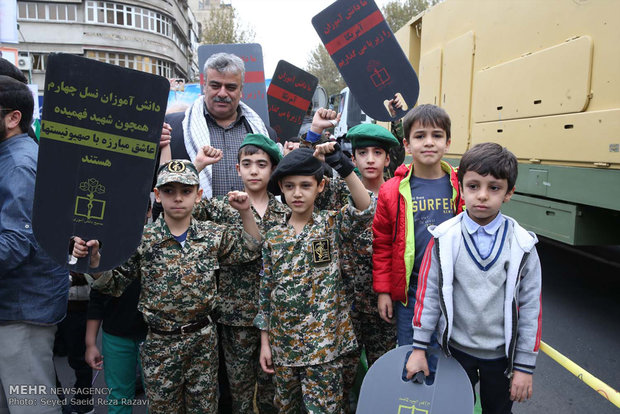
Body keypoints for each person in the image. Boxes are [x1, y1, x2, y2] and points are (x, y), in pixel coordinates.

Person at [71, 160, 263, 413]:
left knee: (204, 408)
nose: (178, 198)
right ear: (158, 196)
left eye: (185, 191)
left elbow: (250, 247)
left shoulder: (213, 235)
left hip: (202, 342)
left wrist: (246, 211)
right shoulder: (142, 240)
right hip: (160, 344)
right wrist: (94, 261)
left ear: (198, 195)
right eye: (169, 191)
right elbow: (113, 284)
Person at [405, 142, 542, 413]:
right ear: (461, 186)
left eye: (494, 188)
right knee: (453, 409)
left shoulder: (522, 245)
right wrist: (419, 349)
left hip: (500, 358)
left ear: (509, 193)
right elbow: (428, 295)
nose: (482, 195)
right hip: (455, 353)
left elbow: (531, 309)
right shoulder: (444, 238)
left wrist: (524, 366)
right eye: (473, 186)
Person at [255, 132, 375, 413]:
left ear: (320, 186)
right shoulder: (273, 237)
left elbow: (365, 208)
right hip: (284, 348)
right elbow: (265, 293)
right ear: (281, 189)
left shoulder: (330, 224)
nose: (297, 193)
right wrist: (265, 343)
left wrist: (342, 165)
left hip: (325, 349)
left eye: (305, 185)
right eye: (290, 186)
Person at [190, 134, 286, 414]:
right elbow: (182, 204)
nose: (254, 170)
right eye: (247, 164)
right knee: (240, 393)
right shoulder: (223, 207)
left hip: (277, 315)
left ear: (272, 170)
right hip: (237, 317)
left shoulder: (285, 211)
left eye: (261, 164)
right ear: (237, 169)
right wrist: (197, 165)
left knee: (274, 392)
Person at [0, 75, 69, 412]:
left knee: (31, 407)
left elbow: (14, 244)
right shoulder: (11, 156)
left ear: (13, 118)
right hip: (17, 307)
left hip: (23, 311)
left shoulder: (19, 164)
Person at [372, 104, 464, 346]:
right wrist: (383, 291)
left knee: (449, 357)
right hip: (411, 293)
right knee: (412, 358)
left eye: (437, 135)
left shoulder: (462, 185)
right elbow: (382, 244)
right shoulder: (392, 190)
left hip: (454, 289)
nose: (429, 142)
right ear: (407, 145)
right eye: (420, 136)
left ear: (448, 143)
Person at [161, 52, 270, 199]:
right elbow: (159, 184)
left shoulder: (263, 133)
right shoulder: (172, 128)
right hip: (193, 221)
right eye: (215, 85)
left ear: (241, 91)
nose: (223, 93)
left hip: (250, 221)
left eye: (230, 87)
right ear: (204, 86)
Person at [84, 202, 151, 413]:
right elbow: (97, 297)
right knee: (119, 397)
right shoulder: (108, 249)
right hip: (117, 336)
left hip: (155, 336)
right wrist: (90, 343)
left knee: (161, 396)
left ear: (149, 211)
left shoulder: (160, 244)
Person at [54, 272, 93, 414]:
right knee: (45, 358)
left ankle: (84, 401)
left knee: (79, 358)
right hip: (49, 308)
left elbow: (92, 271)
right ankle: (56, 399)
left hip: (77, 307)